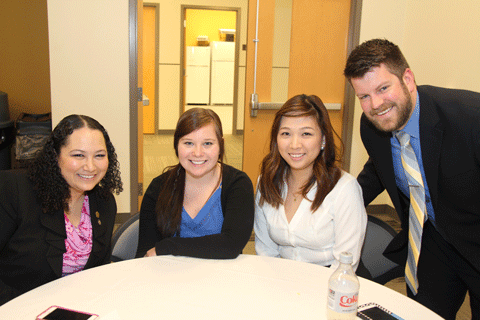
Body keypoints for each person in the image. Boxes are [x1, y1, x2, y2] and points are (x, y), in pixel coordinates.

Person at [344, 38, 480, 319]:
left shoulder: (469, 118)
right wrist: (335, 200)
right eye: (364, 96)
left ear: (408, 78)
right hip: (433, 242)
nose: (376, 104)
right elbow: (380, 168)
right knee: (419, 314)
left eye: (383, 88)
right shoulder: (372, 127)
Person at [0, 114, 123, 306]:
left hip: (74, 307)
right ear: (55, 155)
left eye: (99, 155)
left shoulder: (104, 202)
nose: (90, 166)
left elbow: (99, 270)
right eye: (78, 155)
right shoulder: (14, 190)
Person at [254, 94, 367, 272]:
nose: (294, 144)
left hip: (330, 281)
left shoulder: (345, 188)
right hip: (282, 279)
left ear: (323, 139)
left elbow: (345, 265)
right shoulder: (267, 181)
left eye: (306, 134)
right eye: (286, 134)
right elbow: (265, 251)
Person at [136, 108, 254, 259]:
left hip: (222, 277)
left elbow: (231, 245)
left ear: (220, 145)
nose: (198, 153)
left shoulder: (237, 184)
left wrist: (168, 246)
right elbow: (144, 254)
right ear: (176, 145)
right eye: (189, 143)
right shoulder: (159, 187)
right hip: (171, 277)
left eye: (207, 143)